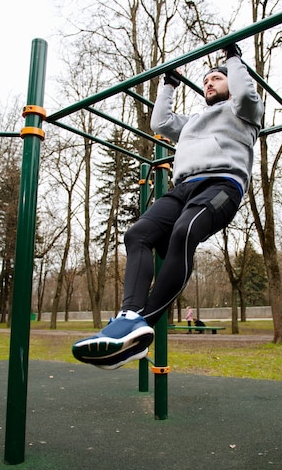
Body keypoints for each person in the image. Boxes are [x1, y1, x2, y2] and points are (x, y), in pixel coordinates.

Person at [72, 43, 264, 369]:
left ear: (232, 80)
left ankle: (142, 322)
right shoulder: (192, 122)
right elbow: (160, 123)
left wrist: (233, 59)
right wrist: (169, 85)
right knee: (137, 234)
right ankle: (129, 317)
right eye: (206, 80)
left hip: (222, 185)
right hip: (182, 189)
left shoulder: (244, 111)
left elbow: (246, 95)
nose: (209, 82)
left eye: (217, 78)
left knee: (184, 231)